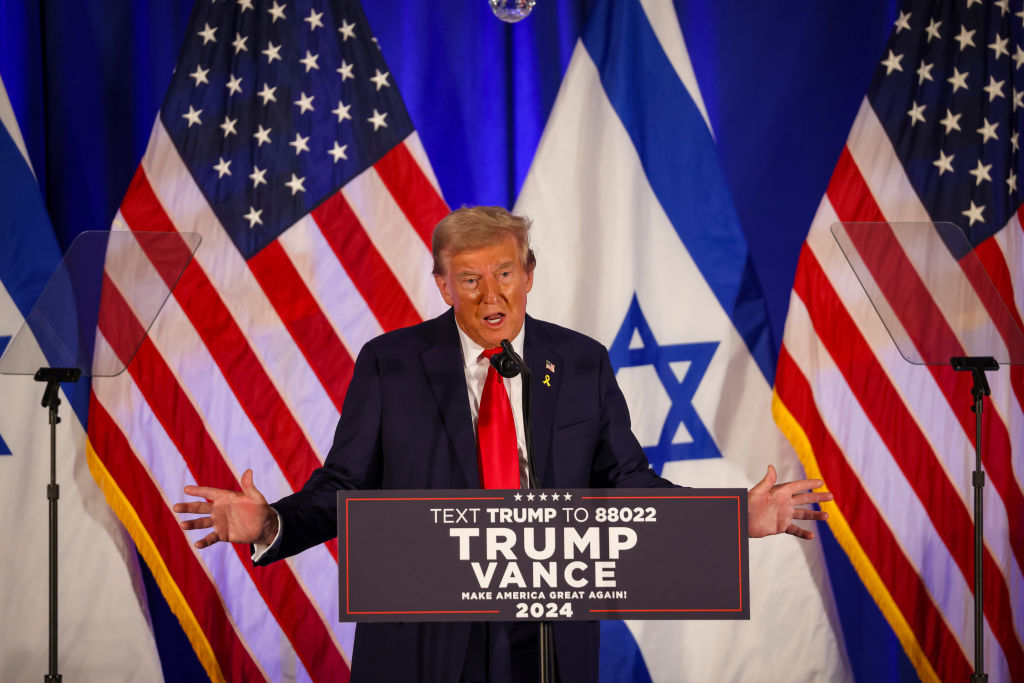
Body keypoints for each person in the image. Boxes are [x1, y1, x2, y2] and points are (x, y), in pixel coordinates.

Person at [175, 206, 832, 682]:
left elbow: (629, 486)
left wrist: (731, 520)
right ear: (441, 284)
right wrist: (274, 521)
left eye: (506, 273)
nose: (492, 295)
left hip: (543, 636)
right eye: (470, 279)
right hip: (424, 641)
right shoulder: (392, 363)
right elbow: (343, 484)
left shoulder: (580, 363)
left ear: (529, 273)